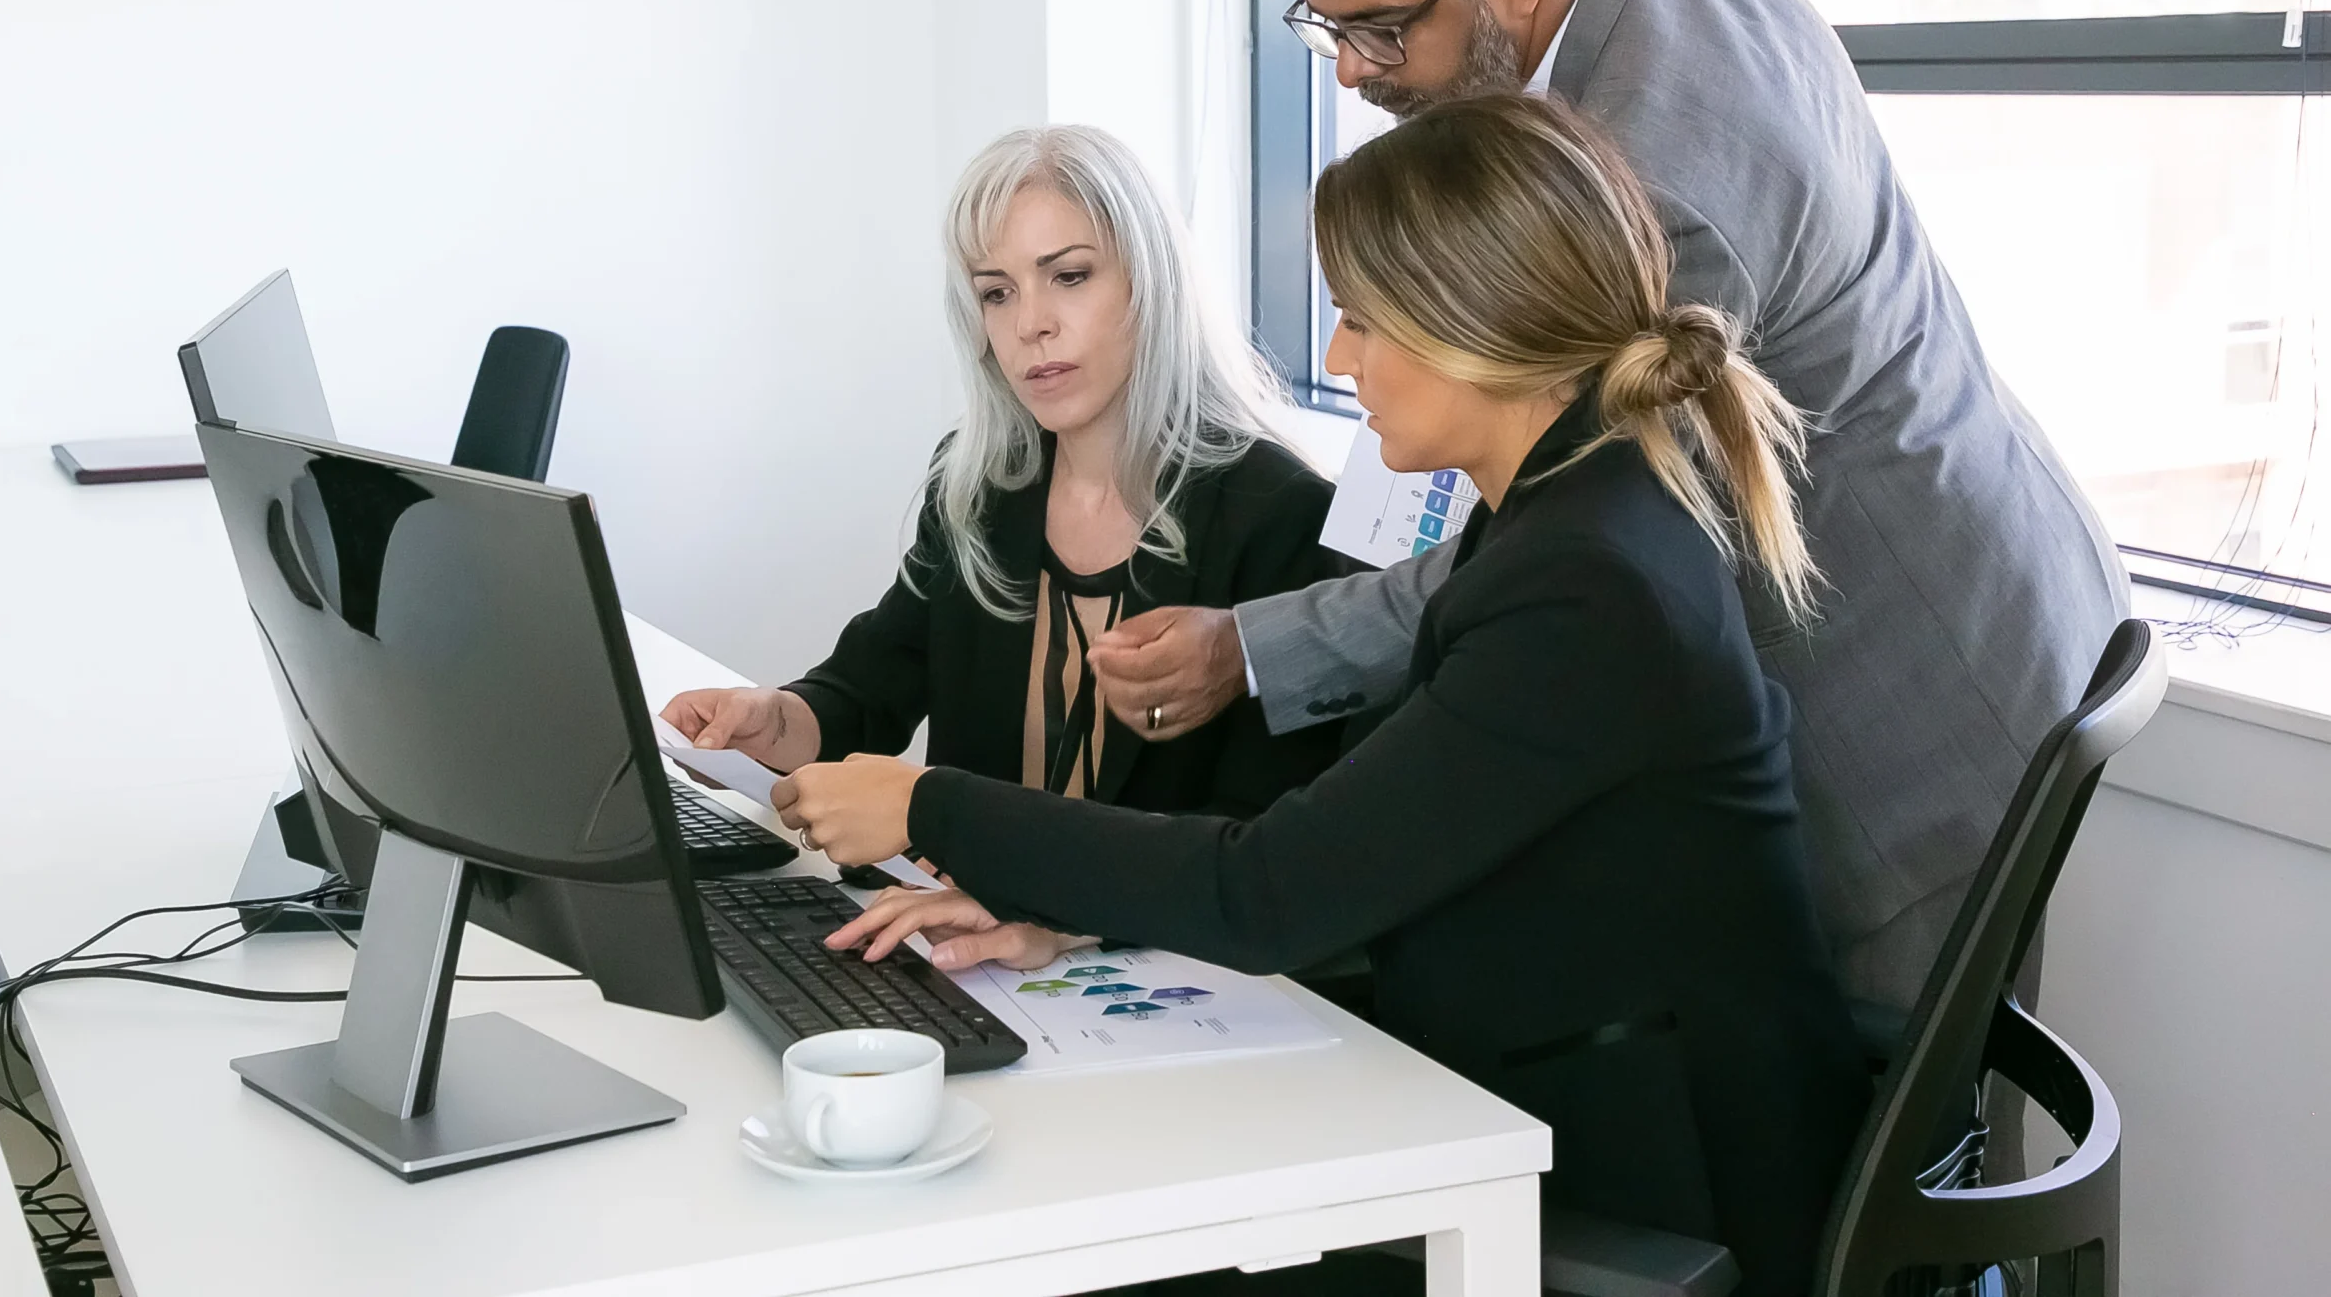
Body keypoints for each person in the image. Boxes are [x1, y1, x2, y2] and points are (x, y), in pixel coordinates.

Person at [778, 96, 1872, 1297]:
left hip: (1659, 1185)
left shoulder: (1583, 587)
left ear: (1477, 322)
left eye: (1360, 321)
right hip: (1562, 1083)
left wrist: (928, 805)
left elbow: (1268, 890)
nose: (1340, 361)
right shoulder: (1571, 512)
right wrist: (1067, 913)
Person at [1085, 0, 2128, 1014]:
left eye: (1381, 29)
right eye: (1328, 31)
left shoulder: (1658, 202)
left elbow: (1570, 540)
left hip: (1917, 686)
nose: (1353, 74)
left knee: (1889, 1150)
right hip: (1997, 553)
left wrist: (1254, 650)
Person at [659, 124, 1352, 876]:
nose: (1030, 325)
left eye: (1070, 275)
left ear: (1151, 281)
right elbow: (868, 689)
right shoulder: (979, 483)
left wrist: (1042, 904)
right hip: (957, 948)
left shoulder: (1282, 514)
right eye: (997, 291)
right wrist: (773, 719)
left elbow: (1259, 834)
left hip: (1146, 966)